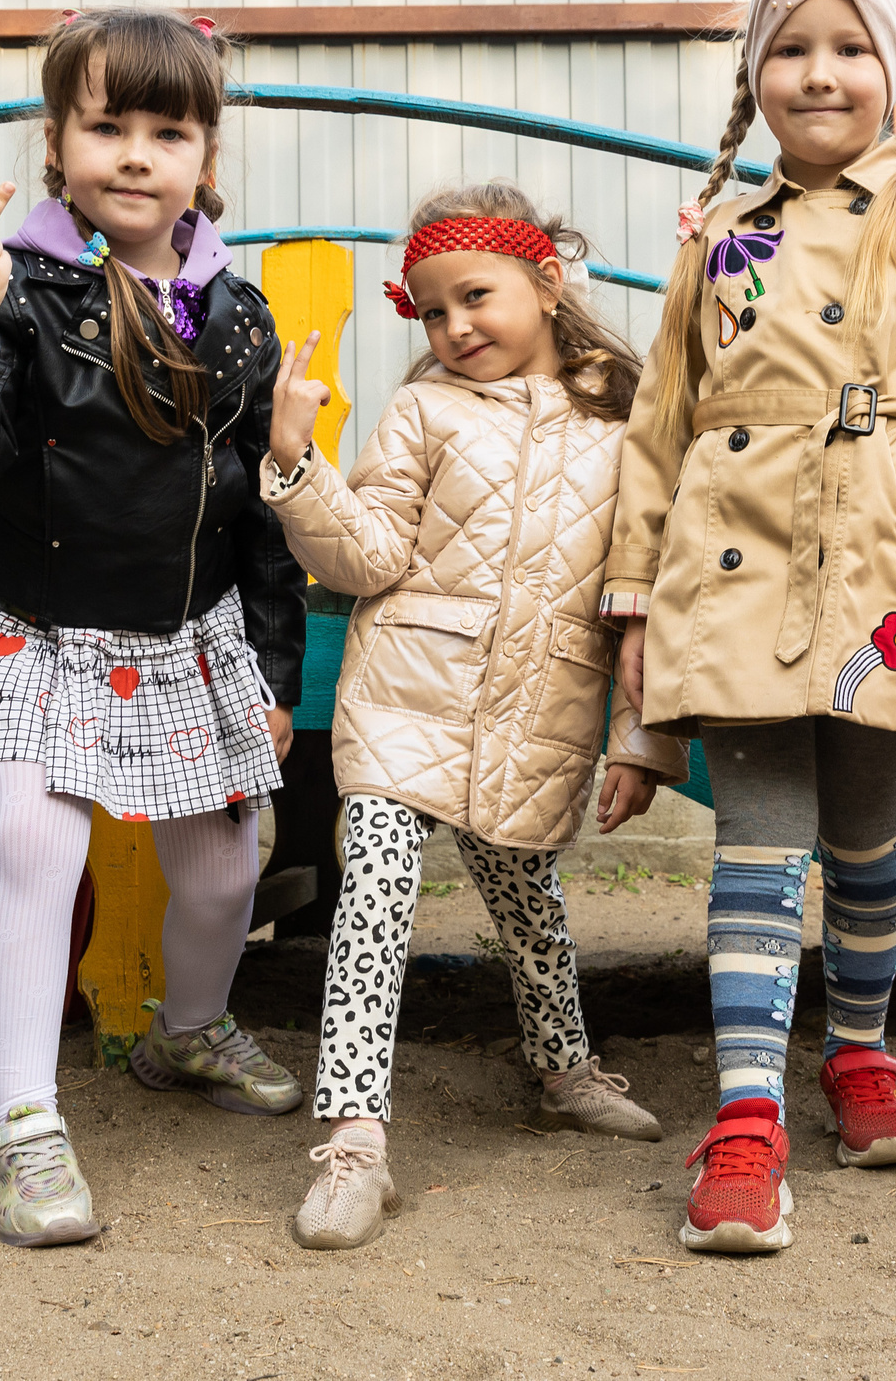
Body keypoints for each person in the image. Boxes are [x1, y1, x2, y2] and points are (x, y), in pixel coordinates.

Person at [601, 0, 896, 1254]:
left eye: (851, 47)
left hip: (888, 576)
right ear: (755, 74)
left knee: (864, 833)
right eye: (791, 48)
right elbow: (663, 419)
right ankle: (747, 1116)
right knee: (757, 837)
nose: (820, 72)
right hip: (732, 569)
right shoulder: (726, 235)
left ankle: (857, 1053)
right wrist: (633, 598)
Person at [0, 7, 307, 1248]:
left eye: (165, 130)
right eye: (104, 125)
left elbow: (254, 513)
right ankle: (25, 1126)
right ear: (57, 140)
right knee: (26, 839)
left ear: (204, 157)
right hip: (34, 628)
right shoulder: (11, 287)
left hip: (185, 638)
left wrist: (271, 665)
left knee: (223, 870)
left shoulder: (239, 311)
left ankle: (186, 1032)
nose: (133, 153)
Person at [258, 182, 692, 1250]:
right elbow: (367, 557)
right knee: (373, 907)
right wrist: (293, 460)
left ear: (547, 282)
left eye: (476, 298)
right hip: (406, 695)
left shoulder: (627, 421)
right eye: (433, 311)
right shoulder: (423, 412)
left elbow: (650, 592)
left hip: (539, 711)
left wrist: (643, 739)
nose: (455, 327)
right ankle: (354, 1141)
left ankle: (562, 1071)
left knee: (529, 905)